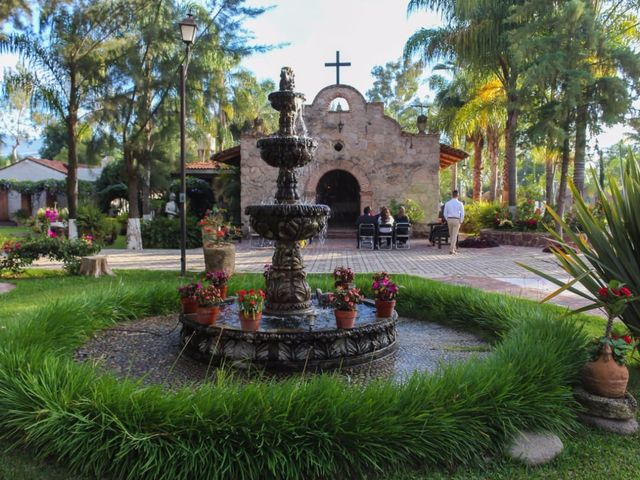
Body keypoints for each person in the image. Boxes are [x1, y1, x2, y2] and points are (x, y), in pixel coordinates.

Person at [443, 190, 464, 255]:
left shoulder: (447, 203)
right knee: (454, 235)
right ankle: (452, 250)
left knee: (451, 235)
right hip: (456, 219)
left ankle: (453, 249)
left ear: (452, 195)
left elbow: (445, 213)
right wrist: (461, 221)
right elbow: (462, 213)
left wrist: (447, 219)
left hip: (449, 219)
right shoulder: (460, 203)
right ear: (458, 195)